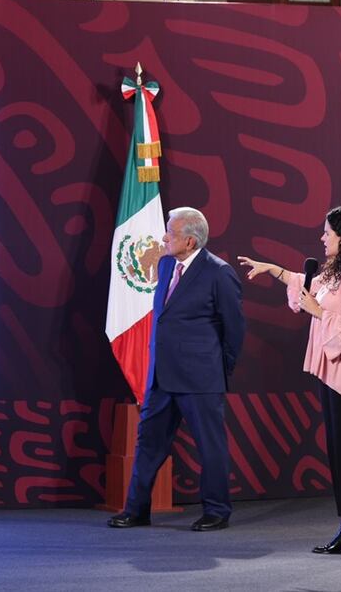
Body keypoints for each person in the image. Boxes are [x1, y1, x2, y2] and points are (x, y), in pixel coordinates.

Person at [238, 205, 341, 563]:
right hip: (329, 370)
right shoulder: (334, 271)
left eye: (327, 232)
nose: (322, 238)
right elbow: (305, 283)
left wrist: (318, 312)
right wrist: (273, 269)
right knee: (337, 454)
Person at [109, 207, 245, 531]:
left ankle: (216, 511)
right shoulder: (166, 263)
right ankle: (136, 510)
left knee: (210, 446)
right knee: (148, 443)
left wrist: (219, 369)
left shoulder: (219, 272)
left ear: (188, 239)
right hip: (162, 377)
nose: (164, 237)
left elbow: (235, 328)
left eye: (169, 233)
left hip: (201, 378)